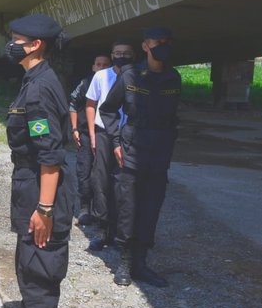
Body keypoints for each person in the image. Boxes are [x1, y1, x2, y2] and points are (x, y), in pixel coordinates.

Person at [0, 14, 74, 308]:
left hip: (42, 187)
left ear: (35, 44)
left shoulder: (38, 89)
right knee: (28, 261)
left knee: (39, 267)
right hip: (32, 181)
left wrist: (45, 207)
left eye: (16, 38)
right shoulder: (36, 80)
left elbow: (50, 152)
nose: (11, 44)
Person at [100, 27, 181, 288]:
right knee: (128, 207)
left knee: (151, 207)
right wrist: (115, 142)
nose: (163, 45)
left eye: (167, 41)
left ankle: (141, 262)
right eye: (158, 41)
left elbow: (173, 118)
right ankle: (123, 262)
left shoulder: (173, 78)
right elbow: (108, 110)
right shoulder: (130, 74)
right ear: (145, 45)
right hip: (132, 151)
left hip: (159, 153)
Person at [85, 41, 134, 251]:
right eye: (117, 53)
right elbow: (90, 104)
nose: (121, 56)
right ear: (112, 55)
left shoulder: (136, 77)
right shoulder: (101, 76)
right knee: (101, 182)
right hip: (104, 133)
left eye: (126, 53)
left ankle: (123, 233)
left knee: (124, 185)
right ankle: (103, 231)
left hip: (128, 135)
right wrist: (93, 134)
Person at [68, 54, 110, 227]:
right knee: (84, 172)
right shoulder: (85, 83)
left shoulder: (116, 83)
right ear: (93, 67)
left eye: (105, 64)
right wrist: (75, 129)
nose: (101, 67)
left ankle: (102, 213)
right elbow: (72, 104)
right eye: (98, 64)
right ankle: (85, 209)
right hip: (85, 134)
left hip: (106, 136)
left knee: (102, 176)